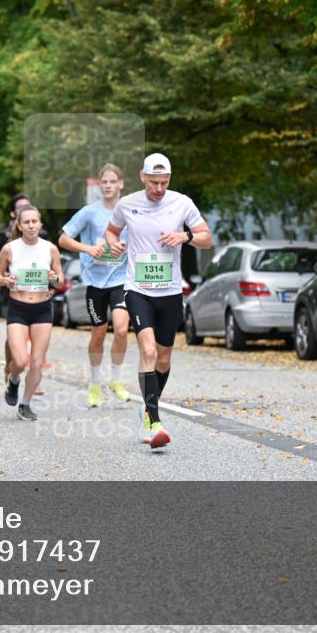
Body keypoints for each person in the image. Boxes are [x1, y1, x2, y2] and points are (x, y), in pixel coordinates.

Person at [105, 153, 212, 449]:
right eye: (154, 182)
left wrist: (185, 237)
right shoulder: (127, 204)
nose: (159, 188)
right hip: (138, 289)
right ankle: (155, 422)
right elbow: (111, 231)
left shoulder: (182, 203)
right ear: (143, 177)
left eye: (164, 182)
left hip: (170, 292)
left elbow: (206, 237)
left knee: (164, 359)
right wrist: (114, 245)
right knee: (148, 350)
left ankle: (148, 408)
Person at [59, 163, 133, 407]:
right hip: (96, 282)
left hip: (121, 279)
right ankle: (94, 384)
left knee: (121, 329)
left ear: (121, 184)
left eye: (113, 181)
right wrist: (88, 248)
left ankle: (116, 379)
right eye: (105, 182)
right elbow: (63, 239)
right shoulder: (90, 212)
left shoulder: (130, 211)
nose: (109, 186)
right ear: (100, 186)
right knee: (98, 334)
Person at [0, 205, 65, 421]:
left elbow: (60, 281)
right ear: (19, 225)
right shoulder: (10, 249)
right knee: (19, 360)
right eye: (26, 222)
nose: (31, 225)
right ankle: (14, 379)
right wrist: (5, 280)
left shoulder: (50, 249)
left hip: (42, 309)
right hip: (18, 307)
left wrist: (54, 279)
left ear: (40, 223)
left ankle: (24, 404)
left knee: (36, 361)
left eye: (34, 221)